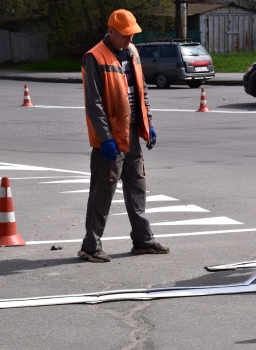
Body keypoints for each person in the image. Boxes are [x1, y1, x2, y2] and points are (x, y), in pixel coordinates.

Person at [78, 9, 169, 262]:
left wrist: (147, 123)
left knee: (137, 187)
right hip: (110, 138)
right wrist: (105, 138)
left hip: (132, 134)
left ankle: (143, 240)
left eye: (133, 34)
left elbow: (142, 90)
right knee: (102, 193)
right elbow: (93, 103)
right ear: (111, 31)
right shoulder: (94, 57)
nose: (130, 39)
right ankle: (90, 246)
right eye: (126, 35)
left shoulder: (132, 52)